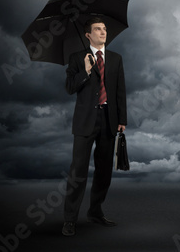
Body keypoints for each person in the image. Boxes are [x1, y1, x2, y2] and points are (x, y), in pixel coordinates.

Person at [62, 17, 127, 236]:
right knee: (77, 172)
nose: (103, 32)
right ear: (88, 35)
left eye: (104, 29)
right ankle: (70, 219)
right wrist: (86, 70)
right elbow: (70, 88)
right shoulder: (77, 58)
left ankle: (95, 212)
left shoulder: (116, 59)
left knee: (104, 171)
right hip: (84, 121)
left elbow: (120, 91)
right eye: (98, 29)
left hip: (109, 120)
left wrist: (122, 119)